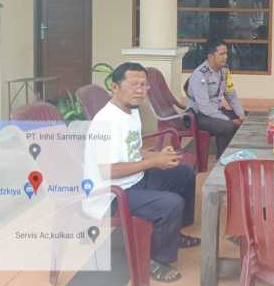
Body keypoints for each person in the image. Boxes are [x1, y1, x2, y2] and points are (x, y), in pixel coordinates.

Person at [84, 62, 199, 283]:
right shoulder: (105, 122)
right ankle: (155, 260)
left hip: (133, 180)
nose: (140, 90)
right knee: (170, 203)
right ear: (115, 87)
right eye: (134, 84)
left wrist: (156, 155)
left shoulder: (131, 110)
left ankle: (174, 233)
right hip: (110, 195)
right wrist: (153, 162)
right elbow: (108, 171)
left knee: (184, 174)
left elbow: (132, 149)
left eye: (144, 85)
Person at [186, 38, 245, 158]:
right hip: (197, 115)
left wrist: (241, 115)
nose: (225, 57)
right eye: (221, 54)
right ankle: (222, 159)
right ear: (211, 56)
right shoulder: (200, 75)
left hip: (214, 110)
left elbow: (231, 95)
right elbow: (204, 107)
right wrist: (227, 119)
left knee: (246, 118)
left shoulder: (224, 70)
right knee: (227, 126)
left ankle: (233, 154)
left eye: (226, 53)